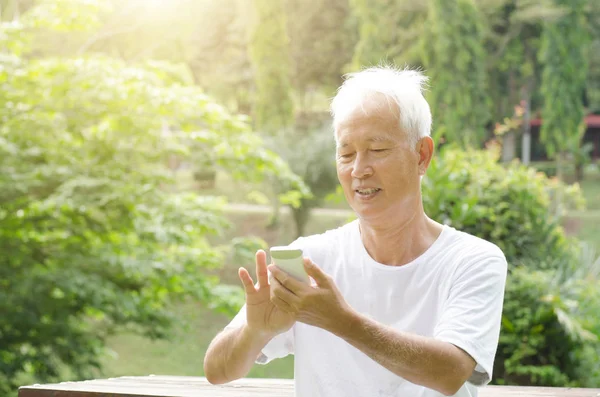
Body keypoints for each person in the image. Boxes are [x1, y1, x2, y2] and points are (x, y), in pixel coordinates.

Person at [203, 66, 507, 397]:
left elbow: (450, 372)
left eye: (377, 150)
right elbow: (217, 370)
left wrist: (339, 320)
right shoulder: (310, 260)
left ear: (422, 155)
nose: (359, 170)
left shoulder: (472, 261)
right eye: (346, 154)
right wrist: (255, 331)